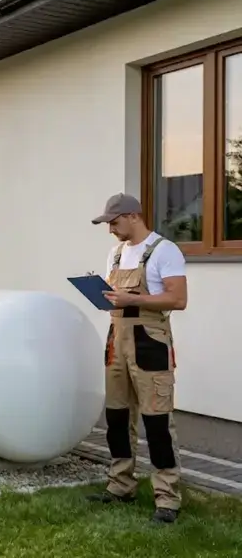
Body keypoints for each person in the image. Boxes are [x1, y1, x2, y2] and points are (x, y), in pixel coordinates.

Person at [86, 192, 187, 524]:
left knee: (157, 423)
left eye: (114, 223)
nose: (111, 230)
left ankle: (167, 498)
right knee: (116, 419)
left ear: (133, 216)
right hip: (117, 340)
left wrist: (132, 298)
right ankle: (120, 486)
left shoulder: (164, 251)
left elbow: (178, 299)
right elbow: (117, 302)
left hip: (150, 342)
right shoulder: (115, 255)